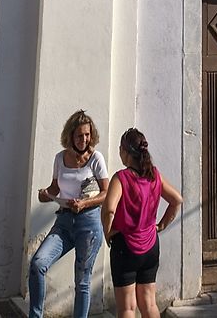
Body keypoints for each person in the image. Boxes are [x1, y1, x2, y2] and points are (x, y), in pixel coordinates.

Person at [29, 110, 109, 318]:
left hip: (89, 223)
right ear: (70, 136)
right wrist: (45, 195)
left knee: (82, 281)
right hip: (64, 221)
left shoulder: (95, 159)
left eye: (87, 135)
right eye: (79, 135)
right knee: (38, 263)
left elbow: (106, 193)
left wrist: (84, 203)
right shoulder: (59, 158)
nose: (84, 140)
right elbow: (55, 189)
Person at [102, 127, 182, 318]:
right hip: (151, 246)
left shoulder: (121, 178)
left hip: (126, 247)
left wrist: (107, 232)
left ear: (125, 152)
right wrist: (160, 226)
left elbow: (109, 209)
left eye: (120, 150)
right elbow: (177, 200)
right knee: (149, 304)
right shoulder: (154, 175)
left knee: (128, 308)